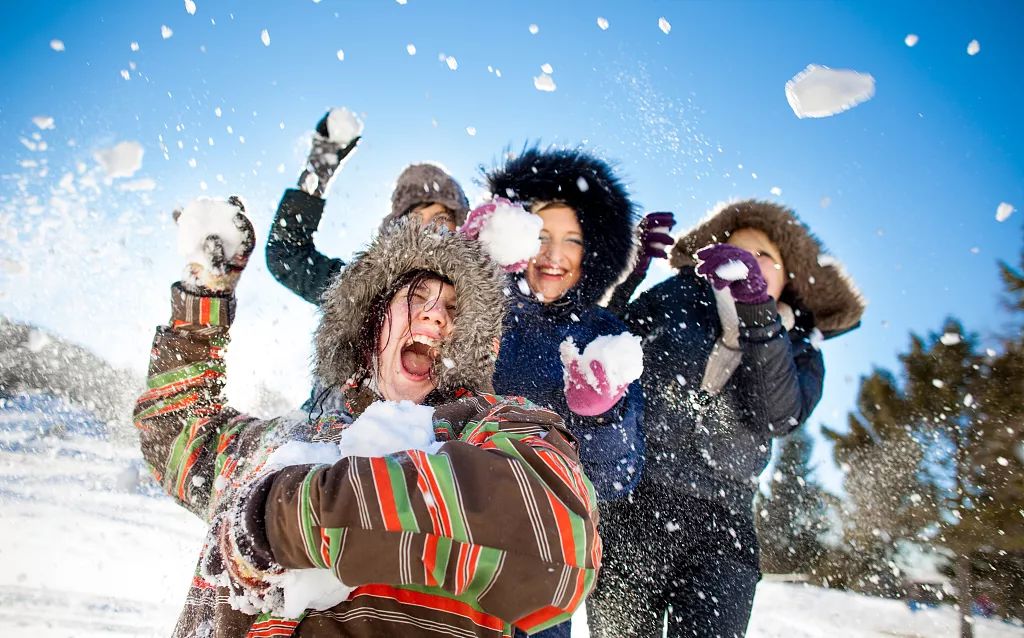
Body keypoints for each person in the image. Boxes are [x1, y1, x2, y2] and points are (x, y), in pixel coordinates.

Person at [135, 199, 600, 637]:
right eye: (417, 296)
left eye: (452, 310)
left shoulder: (491, 426)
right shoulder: (282, 439)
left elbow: (560, 542)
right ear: (371, 321)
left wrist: (284, 518)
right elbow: (176, 435)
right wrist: (204, 297)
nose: (436, 318)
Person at [589, 199, 865, 637]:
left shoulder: (800, 347)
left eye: (763, 258)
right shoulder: (676, 298)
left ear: (788, 279)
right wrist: (629, 272)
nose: (747, 264)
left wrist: (757, 313)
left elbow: (776, 416)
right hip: (635, 507)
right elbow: (599, 347)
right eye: (736, 252)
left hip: (723, 526)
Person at [476, 146, 645, 638]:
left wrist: (600, 416)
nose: (554, 255)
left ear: (591, 252)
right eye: (542, 235)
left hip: (545, 554)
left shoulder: (603, 334)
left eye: (572, 239)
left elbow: (618, 479)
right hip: (453, 526)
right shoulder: (474, 306)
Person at [266, 110, 470, 305]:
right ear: (397, 227)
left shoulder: (476, 294)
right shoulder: (366, 289)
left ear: (460, 226)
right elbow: (287, 257)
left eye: (441, 219)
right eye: (416, 219)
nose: (428, 228)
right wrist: (317, 174)